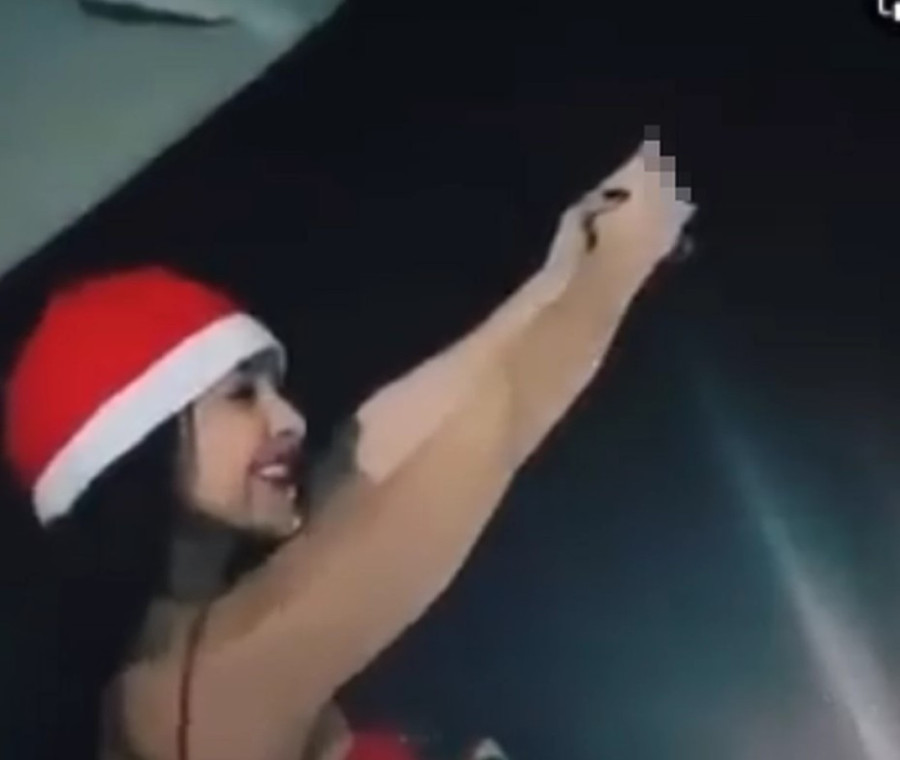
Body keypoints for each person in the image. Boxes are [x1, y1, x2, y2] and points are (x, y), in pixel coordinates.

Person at [2, 138, 694, 760]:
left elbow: (365, 450)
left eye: (274, 390)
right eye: (241, 396)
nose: (289, 418)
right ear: (139, 448)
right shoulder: (208, 687)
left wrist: (555, 281)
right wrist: (622, 263)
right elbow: (487, 437)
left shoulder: (187, 644)